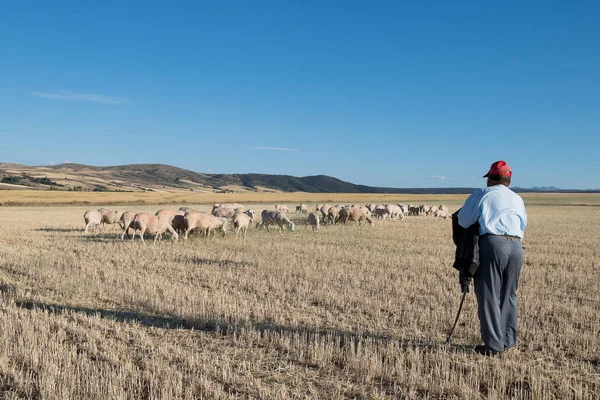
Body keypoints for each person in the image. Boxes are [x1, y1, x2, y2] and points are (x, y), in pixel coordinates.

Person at [457, 160, 527, 356]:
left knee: (488, 294)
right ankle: (508, 340)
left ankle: (493, 346)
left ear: (490, 179)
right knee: (509, 294)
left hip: (493, 244)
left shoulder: (482, 194)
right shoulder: (517, 199)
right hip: (516, 247)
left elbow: (463, 220)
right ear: (508, 180)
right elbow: (523, 225)